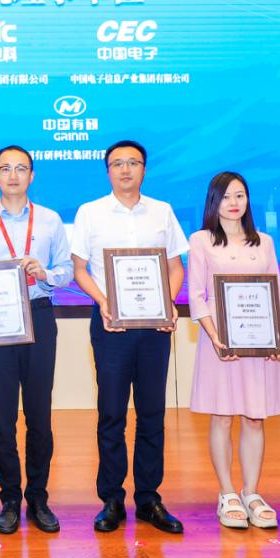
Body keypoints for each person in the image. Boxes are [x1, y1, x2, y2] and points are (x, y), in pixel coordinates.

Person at [71, 140, 189, 534]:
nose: (125, 169)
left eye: (133, 163)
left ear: (144, 169)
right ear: (108, 171)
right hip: (111, 326)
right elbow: (80, 269)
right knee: (112, 414)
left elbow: (175, 267)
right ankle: (111, 499)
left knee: (153, 413)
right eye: (117, 163)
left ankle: (149, 498)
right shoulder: (90, 212)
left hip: (154, 327)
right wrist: (105, 302)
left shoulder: (162, 211)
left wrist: (167, 303)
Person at [0, 145, 72, 534]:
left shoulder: (51, 220)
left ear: (32, 175)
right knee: (2, 417)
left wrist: (46, 273)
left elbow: (66, 270)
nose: (13, 175)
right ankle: (9, 498)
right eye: (5, 168)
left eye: (21, 168)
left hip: (39, 317)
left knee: (39, 415)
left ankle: (38, 497)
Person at [187, 172, 280, 530]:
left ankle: (252, 492)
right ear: (213, 202)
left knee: (254, 417)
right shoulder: (201, 240)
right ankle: (227, 492)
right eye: (227, 196)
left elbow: (275, 292)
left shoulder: (264, 242)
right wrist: (216, 337)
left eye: (240, 195)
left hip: (258, 344)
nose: (234, 203)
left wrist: (276, 337)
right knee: (222, 416)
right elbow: (196, 295)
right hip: (220, 342)